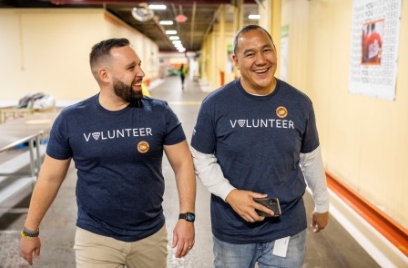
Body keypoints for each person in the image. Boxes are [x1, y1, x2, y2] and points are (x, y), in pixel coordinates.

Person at [20, 38, 197, 268]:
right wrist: (30, 230)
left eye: (139, 64)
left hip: (150, 235)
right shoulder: (72, 119)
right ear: (105, 75)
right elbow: (50, 176)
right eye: (131, 67)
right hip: (96, 237)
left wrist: (187, 217)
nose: (141, 72)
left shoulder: (159, 113)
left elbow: (183, 163)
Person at [190, 25, 329, 268]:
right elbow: (200, 158)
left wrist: (322, 204)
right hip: (233, 229)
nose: (261, 60)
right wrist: (229, 194)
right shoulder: (215, 105)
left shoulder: (299, 103)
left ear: (275, 51)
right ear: (236, 60)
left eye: (266, 50)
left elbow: (310, 158)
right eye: (250, 54)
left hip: (286, 227)